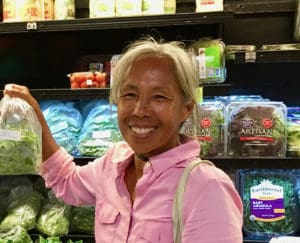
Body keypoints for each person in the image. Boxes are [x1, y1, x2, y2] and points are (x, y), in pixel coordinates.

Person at [3, 37, 243, 243]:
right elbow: (67, 181)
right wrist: (36, 118)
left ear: (186, 109)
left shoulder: (207, 187)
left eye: (159, 97)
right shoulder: (113, 163)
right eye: (129, 94)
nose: (140, 109)